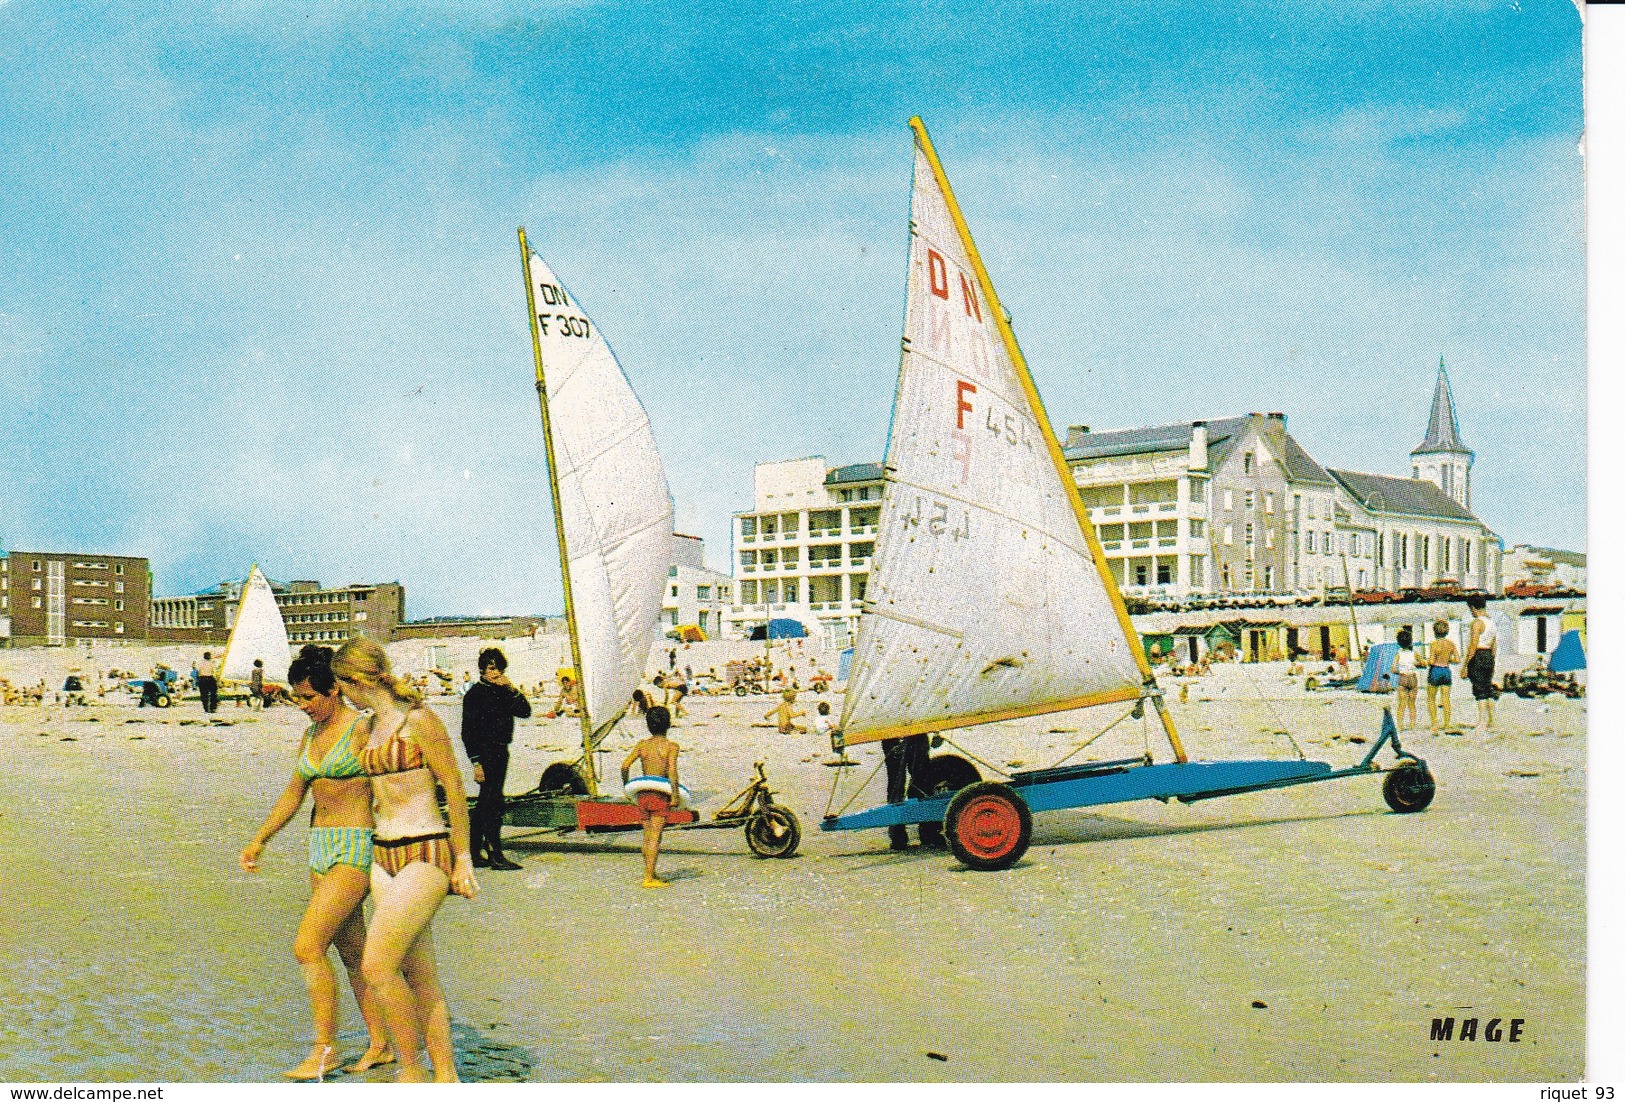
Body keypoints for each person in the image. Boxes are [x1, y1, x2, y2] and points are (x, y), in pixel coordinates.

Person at [240, 645, 392, 1080]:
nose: (302, 706)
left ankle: (324, 1050)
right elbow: (294, 793)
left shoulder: (363, 730)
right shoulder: (309, 736)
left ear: (334, 690)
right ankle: (380, 1042)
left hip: (357, 846)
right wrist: (260, 840)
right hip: (320, 847)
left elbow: (394, 780)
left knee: (307, 946)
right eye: (296, 697)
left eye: (309, 697)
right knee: (352, 951)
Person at [334, 636, 478, 1083]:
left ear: (356, 680)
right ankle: (447, 1077)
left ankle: (411, 1072)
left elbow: (453, 786)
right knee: (419, 973)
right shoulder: (365, 727)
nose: (342, 695)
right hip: (383, 854)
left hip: (425, 848)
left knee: (377, 966)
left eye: (342, 685)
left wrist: (464, 858)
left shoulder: (419, 721)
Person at [460, 647, 530, 871]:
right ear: (482, 669)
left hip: (501, 750)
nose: (496, 672)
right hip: (485, 752)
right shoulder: (474, 695)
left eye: (499, 668)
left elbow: (525, 711)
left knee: (486, 802)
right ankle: (495, 853)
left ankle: (474, 852)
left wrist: (511, 688)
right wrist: (476, 762)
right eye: (491, 668)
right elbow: (467, 732)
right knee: (492, 803)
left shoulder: (503, 691)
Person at [620, 705, 680, 888]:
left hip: (643, 794)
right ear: (668, 724)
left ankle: (651, 872)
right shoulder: (671, 747)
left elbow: (624, 766)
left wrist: (627, 786)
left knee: (647, 836)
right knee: (656, 837)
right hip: (659, 795)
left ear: (648, 725)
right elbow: (671, 772)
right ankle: (648, 878)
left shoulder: (642, 745)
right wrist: (675, 795)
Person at [882, 734, 945, 851]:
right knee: (897, 783)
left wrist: (937, 732)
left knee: (921, 781)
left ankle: (928, 831)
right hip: (893, 735)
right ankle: (898, 835)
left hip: (917, 735)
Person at [1462, 595, 1498, 730]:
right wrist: (1492, 660)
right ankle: (1491, 721)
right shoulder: (1492, 622)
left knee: (1479, 690)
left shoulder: (1477, 623)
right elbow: (1494, 645)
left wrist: (1465, 665)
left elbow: (1473, 645)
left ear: (1472, 608)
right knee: (1488, 688)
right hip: (1489, 654)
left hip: (1479, 654)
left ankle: (1482, 722)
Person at [1425, 619, 1458, 732]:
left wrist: (1425, 662)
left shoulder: (1434, 644)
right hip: (1446, 670)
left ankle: (1434, 724)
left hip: (1435, 670)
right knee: (1446, 699)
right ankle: (1447, 724)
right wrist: (1448, 659)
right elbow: (1457, 660)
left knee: (1431, 699)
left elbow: (1432, 661)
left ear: (1434, 632)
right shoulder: (1451, 644)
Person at [1393, 627, 1419, 731]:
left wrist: (1401, 671)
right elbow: (1423, 662)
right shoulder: (1414, 653)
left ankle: (1400, 725)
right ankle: (1412, 724)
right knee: (1412, 703)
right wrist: (1415, 664)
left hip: (1403, 678)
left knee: (1401, 704)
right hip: (1412, 678)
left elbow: (1393, 669)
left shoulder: (1398, 654)